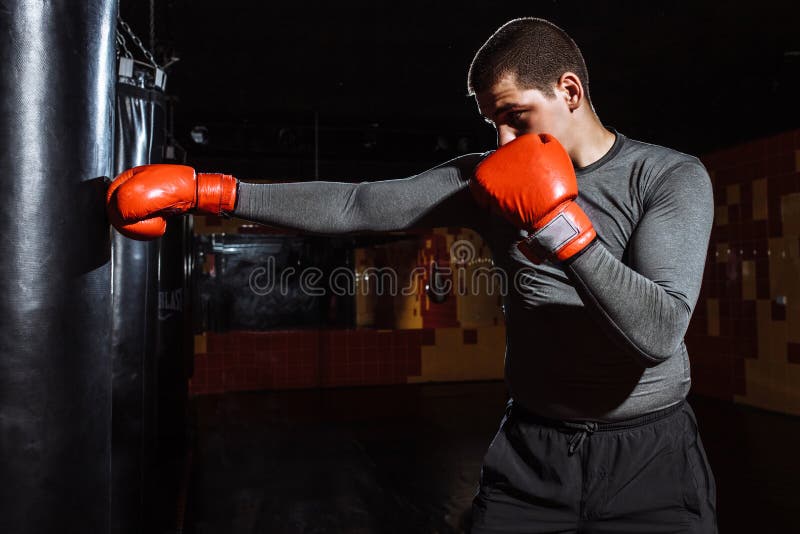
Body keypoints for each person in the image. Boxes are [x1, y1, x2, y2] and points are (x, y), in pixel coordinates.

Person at [107, 17, 717, 533]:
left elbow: (659, 332)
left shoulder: (666, 178)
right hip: (534, 452)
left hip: (651, 458)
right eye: (491, 124)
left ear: (570, 91)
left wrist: (559, 224)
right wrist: (212, 191)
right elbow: (360, 204)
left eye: (515, 117)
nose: (502, 141)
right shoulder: (487, 180)